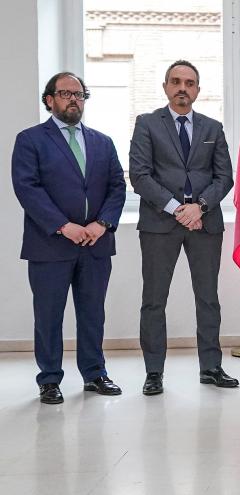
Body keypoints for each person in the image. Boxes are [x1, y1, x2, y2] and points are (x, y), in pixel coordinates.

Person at [11, 72, 127, 404]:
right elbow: (27, 189)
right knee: (49, 314)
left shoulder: (102, 142)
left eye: (79, 94)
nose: (73, 99)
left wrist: (102, 223)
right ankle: (49, 379)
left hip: (96, 244)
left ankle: (94, 373)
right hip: (49, 245)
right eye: (65, 93)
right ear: (50, 100)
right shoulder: (30, 140)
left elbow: (117, 187)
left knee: (92, 311)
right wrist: (64, 226)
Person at [130, 60, 236, 395]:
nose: (182, 88)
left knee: (208, 298)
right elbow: (139, 175)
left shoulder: (212, 128)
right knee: (154, 300)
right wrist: (178, 209)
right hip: (160, 223)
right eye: (176, 82)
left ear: (197, 91)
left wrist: (199, 207)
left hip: (204, 223)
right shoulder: (147, 124)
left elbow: (225, 178)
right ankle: (154, 372)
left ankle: (211, 367)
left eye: (189, 83)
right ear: (165, 86)